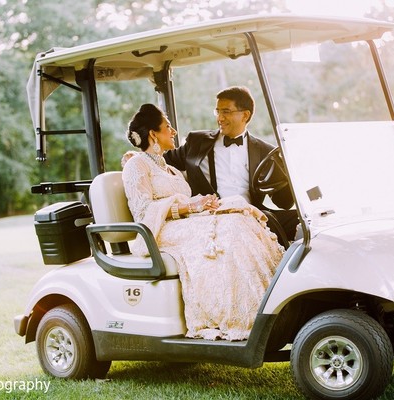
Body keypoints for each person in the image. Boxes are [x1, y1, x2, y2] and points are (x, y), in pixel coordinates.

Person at [121, 103, 284, 341]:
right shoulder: (136, 165)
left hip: (183, 223)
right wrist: (189, 207)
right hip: (158, 232)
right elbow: (143, 211)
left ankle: (270, 304)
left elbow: (183, 199)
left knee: (241, 218)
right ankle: (239, 316)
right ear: (154, 134)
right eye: (168, 127)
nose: (174, 132)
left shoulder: (170, 170)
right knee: (231, 227)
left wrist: (203, 203)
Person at [163, 86, 298, 246]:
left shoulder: (265, 151)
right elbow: (163, 160)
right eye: (217, 111)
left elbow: (284, 202)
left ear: (245, 115)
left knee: (304, 220)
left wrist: (291, 171)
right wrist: (138, 157)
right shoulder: (197, 142)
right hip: (213, 215)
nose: (220, 118)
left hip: (252, 214)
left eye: (226, 112)